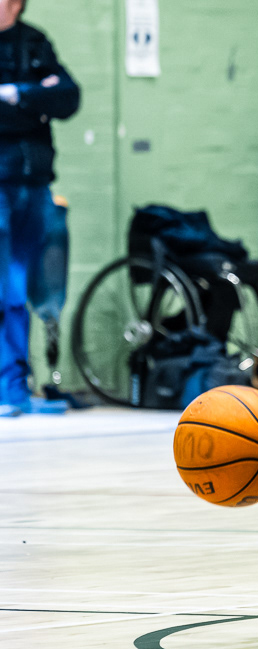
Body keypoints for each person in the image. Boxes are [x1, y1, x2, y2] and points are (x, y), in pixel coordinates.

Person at [0, 0, 80, 417]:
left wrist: (18, 94)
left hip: (34, 183)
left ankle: (18, 384)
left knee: (30, 286)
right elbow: (44, 102)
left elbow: (67, 97)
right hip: (0, 184)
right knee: (6, 287)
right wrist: (36, 99)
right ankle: (8, 387)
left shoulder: (34, 44)